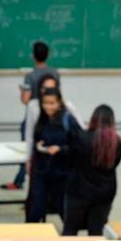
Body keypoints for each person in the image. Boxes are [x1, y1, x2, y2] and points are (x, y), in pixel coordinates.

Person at [3, 41, 61, 190]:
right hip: (52, 120)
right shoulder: (54, 73)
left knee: (28, 149)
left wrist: (21, 91)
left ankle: (21, 181)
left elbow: (25, 100)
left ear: (33, 56)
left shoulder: (30, 76)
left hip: (33, 120)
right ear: (48, 55)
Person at [63, 105, 121, 235]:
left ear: (93, 118)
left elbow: (70, 160)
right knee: (96, 231)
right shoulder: (117, 142)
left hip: (79, 190)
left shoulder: (82, 138)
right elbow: (115, 164)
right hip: (104, 192)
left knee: (70, 230)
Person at [25, 88, 82, 223]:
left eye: (52, 103)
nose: (48, 107)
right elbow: (36, 139)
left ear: (59, 103)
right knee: (35, 208)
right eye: (45, 103)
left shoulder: (68, 120)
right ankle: (27, 237)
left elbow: (79, 145)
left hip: (62, 173)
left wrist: (60, 149)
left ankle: (69, 238)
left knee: (63, 209)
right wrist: (38, 147)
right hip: (42, 171)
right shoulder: (42, 119)